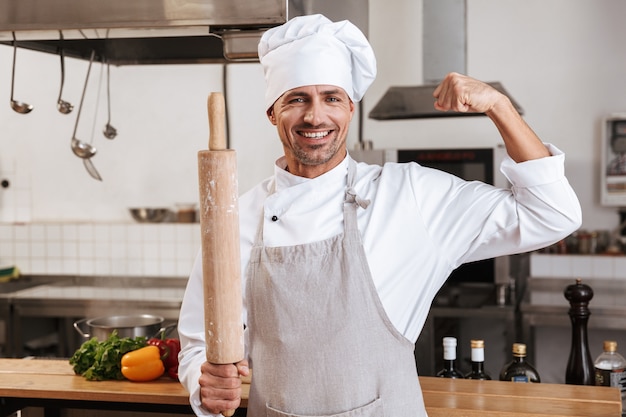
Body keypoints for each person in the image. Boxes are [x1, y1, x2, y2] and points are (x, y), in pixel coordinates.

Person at [178, 14, 582, 417]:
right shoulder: (237, 219)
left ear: (351, 108)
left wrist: (499, 106)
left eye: (331, 98)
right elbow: (198, 343)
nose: (315, 117)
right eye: (296, 98)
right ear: (272, 113)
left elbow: (553, 213)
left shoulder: (407, 195)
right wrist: (204, 379)